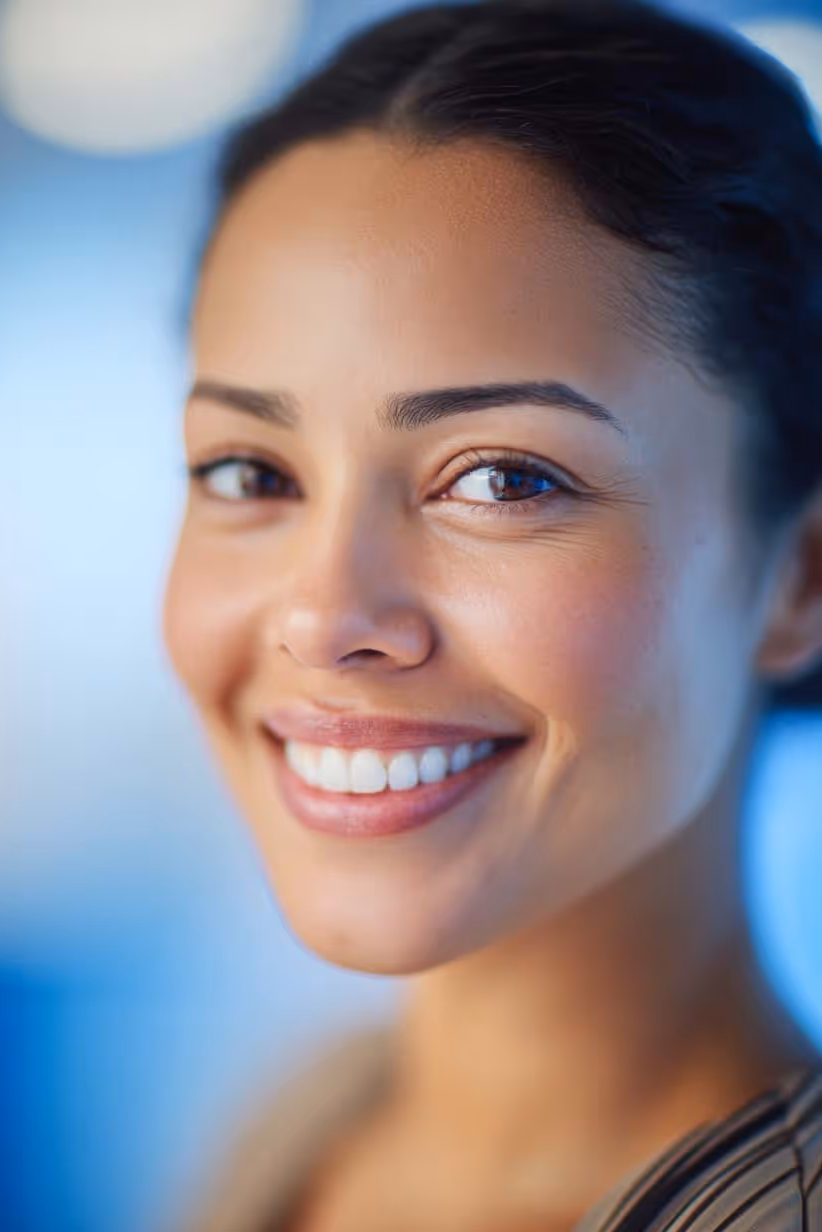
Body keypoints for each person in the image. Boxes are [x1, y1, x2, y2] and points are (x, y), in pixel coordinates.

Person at [162, 0, 822, 1228]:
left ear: (801, 577)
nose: (324, 616)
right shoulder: (296, 1128)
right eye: (251, 471)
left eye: (506, 480)